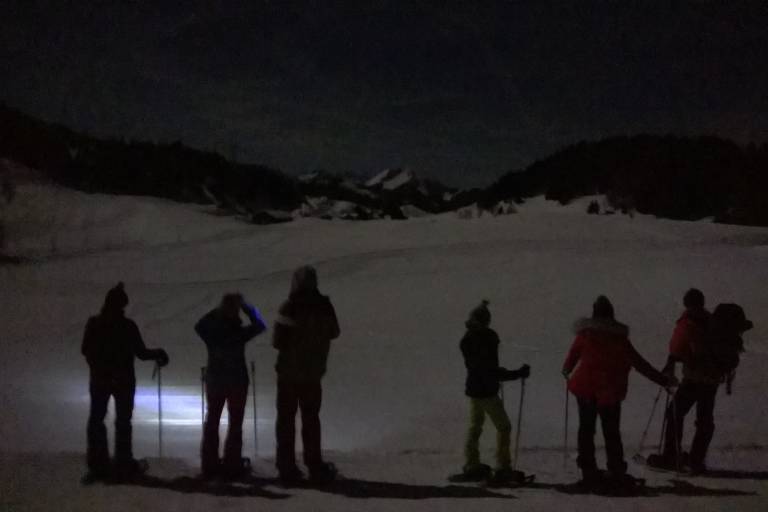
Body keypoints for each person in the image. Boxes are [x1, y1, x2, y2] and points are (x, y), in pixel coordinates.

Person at [562, 296, 676, 489]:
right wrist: (663, 380)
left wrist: (566, 369)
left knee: (586, 430)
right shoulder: (619, 339)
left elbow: (574, 354)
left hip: (585, 388)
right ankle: (616, 471)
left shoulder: (586, 333)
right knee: (611, 432)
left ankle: (588, 472)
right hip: (610, 392)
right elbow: (640, 364)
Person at [648, 300, 752, 474]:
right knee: (704, 420)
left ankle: (671, 457)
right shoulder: (726, 339)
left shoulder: (705, 330)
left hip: (694, 379)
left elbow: (690, 352)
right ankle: (696, 460)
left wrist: (673, 361)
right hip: (711, 382)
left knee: (675, 413)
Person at [82, 282, 169, 481]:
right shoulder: (127, 326)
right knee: (123, 421)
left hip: (100, 380)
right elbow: (141, 353)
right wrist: (159, 354)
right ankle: (123, 462)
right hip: (123, 380)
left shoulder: (94, 323)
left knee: (96, 420)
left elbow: (85, 350)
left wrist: (98, 367)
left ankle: (98, 464)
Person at [273, 265, 340, 485]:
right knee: (311, 419)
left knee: (286, 420)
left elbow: (277, 341)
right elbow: (335, 332)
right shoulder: (324, 305)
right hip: (313, 373)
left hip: (289, 374)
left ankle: (287, 466)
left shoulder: (290, 306)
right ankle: (314, 463)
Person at [454, 300, 531, 483]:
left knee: (475, 427)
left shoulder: (468, 339)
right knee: (504, 427)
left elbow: (482, 368)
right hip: (486, 392)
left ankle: (472, 463)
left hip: (474, 390)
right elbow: (488, 369)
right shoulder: (485, 339)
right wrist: (516, 374)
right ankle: (503, 466)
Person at [195, 293, 266, 480]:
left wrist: (217, 312)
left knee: (212, 421)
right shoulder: (239, 332)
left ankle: (209, 464)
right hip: (237, 382)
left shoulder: (212, 332)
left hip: (216, 381)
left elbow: (199, 325)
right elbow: (260, 325)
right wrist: (247, 307)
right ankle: (232, 463)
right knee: (235, 423)